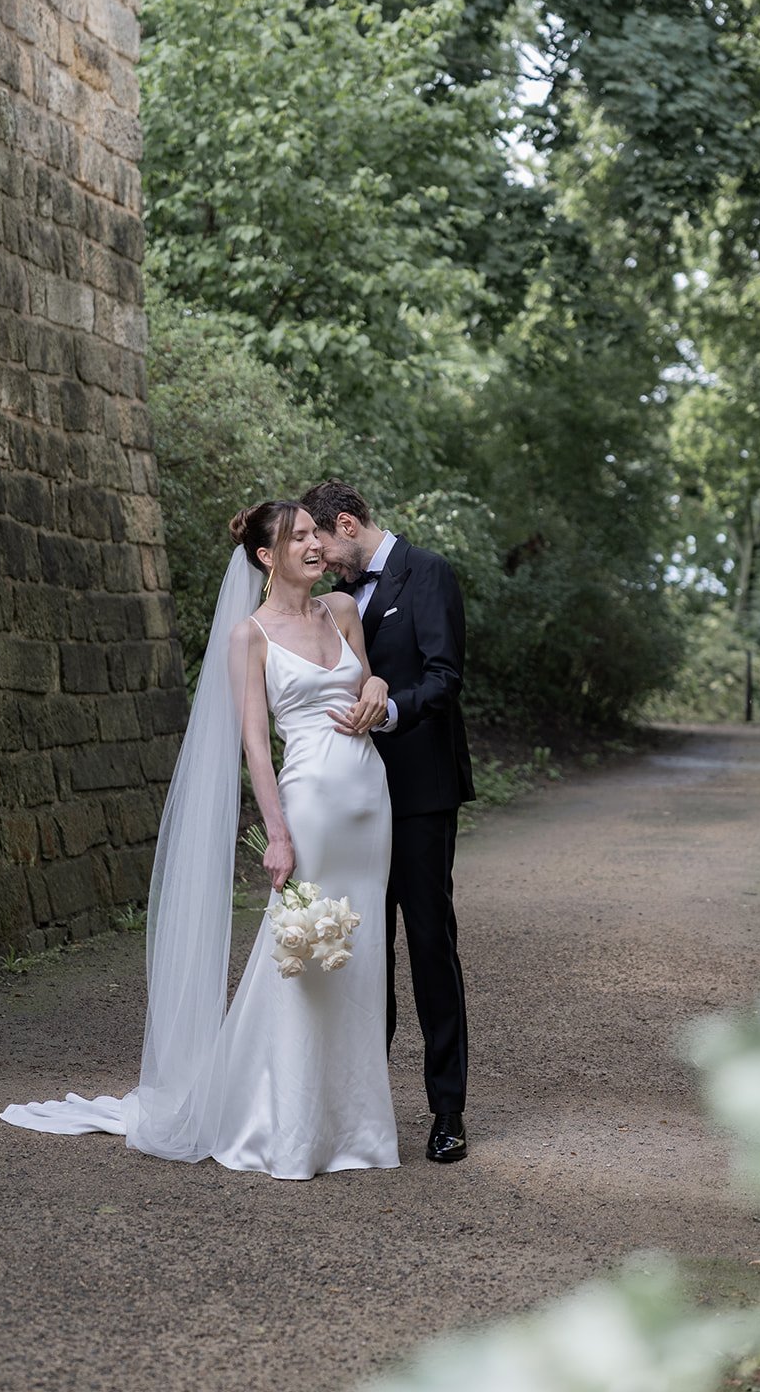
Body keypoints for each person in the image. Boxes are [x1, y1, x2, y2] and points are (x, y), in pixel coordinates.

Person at [0, 501, 399, 1180]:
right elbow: (253, 743)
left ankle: (356, 1128)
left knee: (359, 961)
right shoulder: (250, 636)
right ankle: (287, 1129)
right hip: (309, 808)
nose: (313, 543)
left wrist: (380, 688)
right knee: (300, 961)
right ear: (267, 558)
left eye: (314, 532)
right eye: (297, 536)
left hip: (370, 804)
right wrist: (275, 832)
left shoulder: (342, 611)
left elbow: (369, 685)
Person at [301, 480, 474, 1164]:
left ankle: (447, 1112)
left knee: (429, 946)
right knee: (358, 950)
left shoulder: (426, 572)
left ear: (348, 522)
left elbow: (444, 676)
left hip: (419, 792)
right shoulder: (325, 604)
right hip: (349, 800)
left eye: (326, 543)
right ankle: (359, 1108)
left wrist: (390, 710)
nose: (323, 559)